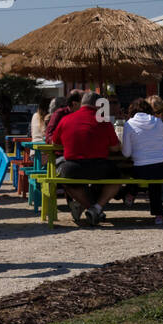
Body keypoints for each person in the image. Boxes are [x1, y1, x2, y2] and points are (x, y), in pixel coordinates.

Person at [52, 91, 122, 226]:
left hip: (73, 167)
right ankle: (96, 208)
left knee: (65, 179)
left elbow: (55, 144)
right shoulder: (104, 122)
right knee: (117, 179)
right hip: (100, 168)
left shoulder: (66, 119)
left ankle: (90, 207)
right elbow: (114, 148)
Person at [120, 97, 163, 224]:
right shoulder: (158, 122)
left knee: (133, 171)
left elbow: (126, 153)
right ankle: (159, 215)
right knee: (155, 177)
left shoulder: (129, 125)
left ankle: (130, 192)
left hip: (142, 170)